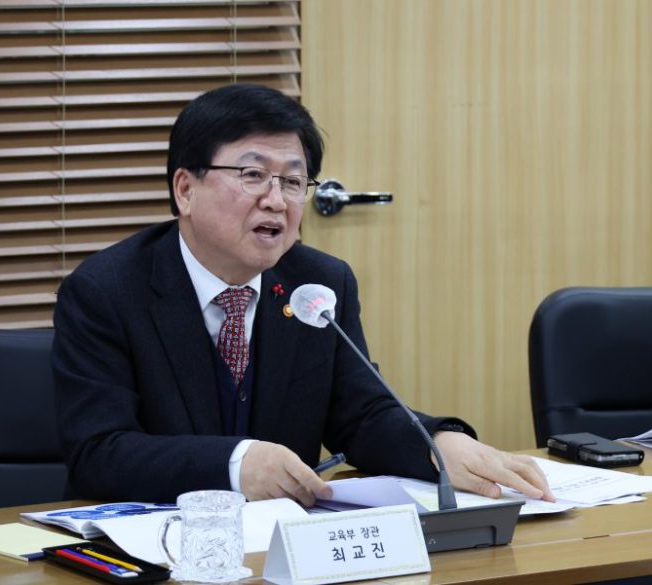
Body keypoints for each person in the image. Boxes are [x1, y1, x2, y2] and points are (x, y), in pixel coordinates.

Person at [52, 83, 554, 506]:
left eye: (293, 181)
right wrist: (235, 463)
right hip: (155, 541)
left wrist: (437, 444)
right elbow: (99, 452)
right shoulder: (106, 291)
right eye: (252, 175)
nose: (276, 200)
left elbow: (361, 415)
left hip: (286, 548)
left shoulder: (319, 283)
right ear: (185, 189)